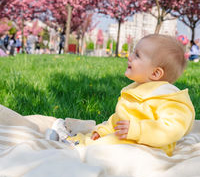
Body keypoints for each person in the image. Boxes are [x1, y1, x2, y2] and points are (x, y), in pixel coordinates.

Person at [48, 34, 195, 156]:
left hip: (150, 149)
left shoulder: (169, 97)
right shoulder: (136, 90)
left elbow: (172, 128)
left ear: (155, 73)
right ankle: (78, 141)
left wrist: (138, 130)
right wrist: (103, 130)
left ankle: (74, 147)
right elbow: (120, 119)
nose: (130, 57)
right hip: (131, 140)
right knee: (108, 139)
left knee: (109, 146)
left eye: (137, 55)